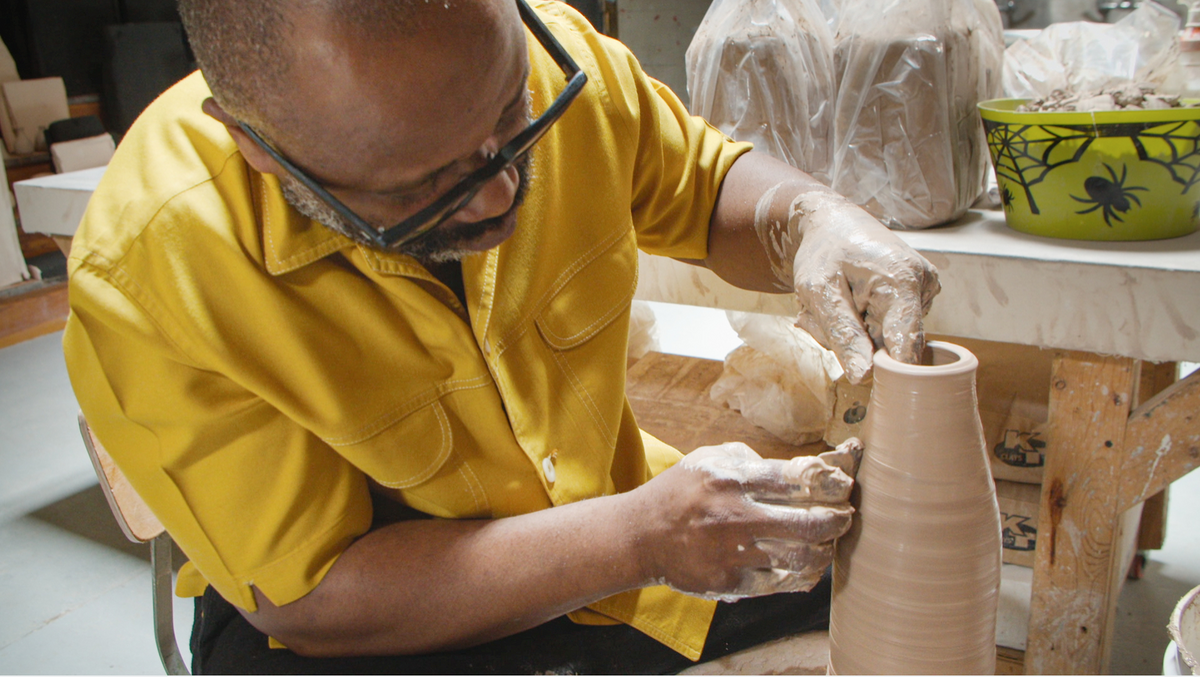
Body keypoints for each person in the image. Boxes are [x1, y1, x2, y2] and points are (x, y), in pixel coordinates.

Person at [62, 0, 940, 673]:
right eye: (428, 186)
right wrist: (638, 539)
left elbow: (704, 188)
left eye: (513, 121)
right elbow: (313, 593)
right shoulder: (152, 266)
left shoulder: (547, 50)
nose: (498, 195)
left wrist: (807, 219)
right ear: (258, 149)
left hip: (605, 524)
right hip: (370, 620)